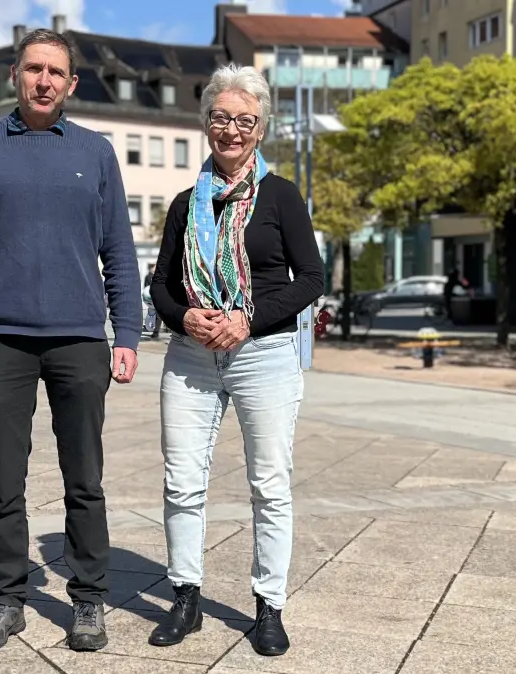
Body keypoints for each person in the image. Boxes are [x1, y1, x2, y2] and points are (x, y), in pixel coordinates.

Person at [0, 28, 141, 653]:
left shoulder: (96, 152)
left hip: (81, 340)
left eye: (55, 72)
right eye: (33, 69)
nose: (44, 81)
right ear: (15, 76)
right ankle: (5, 600)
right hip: (1, 339)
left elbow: (119, 252)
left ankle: (88, 601)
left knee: (85, 478)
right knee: (5, 479)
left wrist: (126, 331)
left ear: (72, 84)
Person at [146, 63, 322, 657]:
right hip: (191, 357)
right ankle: (186, 597)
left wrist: (249, 318)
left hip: (264, 353)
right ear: (206, 123)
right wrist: (182, 317)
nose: (232, 130)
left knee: (270, 485)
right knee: (182, 482)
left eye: (245, 121)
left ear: (261, 128)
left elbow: (312, 280)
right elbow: (162, 285)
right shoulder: (181, 205)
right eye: (221, 118)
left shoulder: (281, 196)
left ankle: (268, 605)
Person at [143, 264, 161, 339]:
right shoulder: (151, 276)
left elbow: (145, 287)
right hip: (155, 298)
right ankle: (155, 331)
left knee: (152, 314)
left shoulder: (149, 276)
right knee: (158, 316)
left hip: (151, 299)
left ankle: (153, 329)